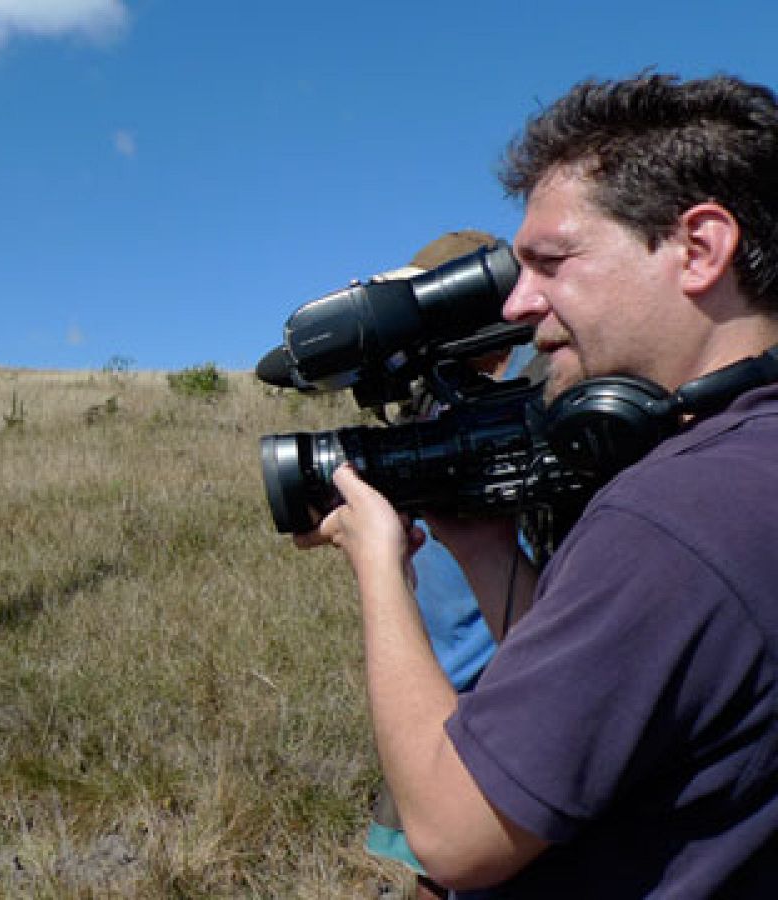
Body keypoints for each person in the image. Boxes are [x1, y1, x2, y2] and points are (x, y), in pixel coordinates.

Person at [294, 73, 778, 896]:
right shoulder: (745, 468)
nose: (519, 304)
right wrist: (484, 550)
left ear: (700, 248)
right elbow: (605, 708)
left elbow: (451, 835)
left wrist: (376, 558)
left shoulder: (668, 519)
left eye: (551, 261)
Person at [362, 232, 536, 900]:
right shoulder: (428, 406)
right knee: (431, 868)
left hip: (497, 680)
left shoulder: (517, 409)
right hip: (431, 682)